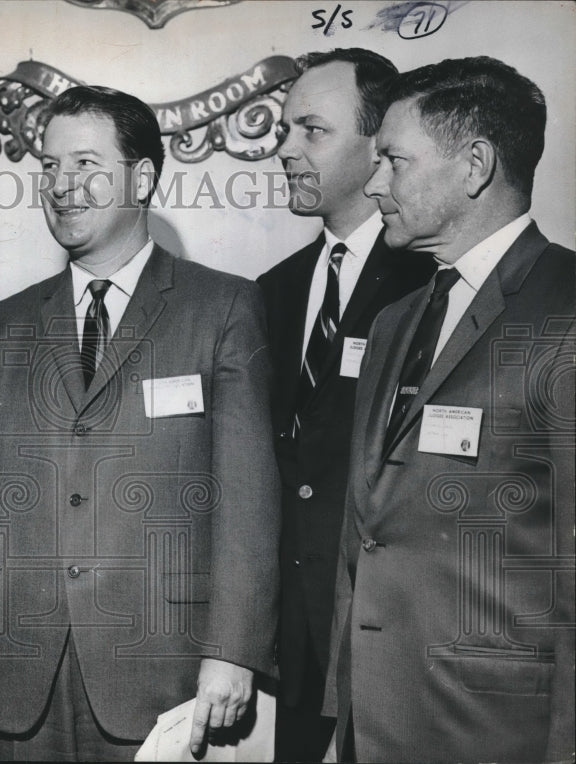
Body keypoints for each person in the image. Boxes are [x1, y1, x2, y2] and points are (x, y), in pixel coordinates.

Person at [0, 85, 280, 761]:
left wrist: (233, 653)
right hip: (21, 675)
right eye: (49, 165)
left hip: (165, 677)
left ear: (144, 177)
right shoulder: (4, 325)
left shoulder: (222, 309)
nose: (61, 185)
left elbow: (247, 499)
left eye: (86, 164)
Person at [324, 56, 574, 762]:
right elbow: (363, 533)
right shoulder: (395, 321)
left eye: (394, 163)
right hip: (374, 724)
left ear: (474, 166)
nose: (373, 186)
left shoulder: (566, 311)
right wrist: (342, 721)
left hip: (496, 735)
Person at [257, 48, 434, 762]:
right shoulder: (270, 290)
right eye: (285, 130)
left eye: (311, 130)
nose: (285, 150)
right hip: (298, 651)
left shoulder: (433, 287)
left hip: (400, 650)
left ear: (377, 143)